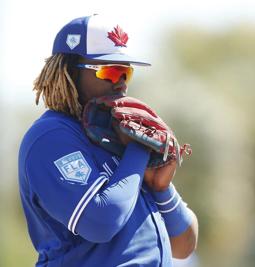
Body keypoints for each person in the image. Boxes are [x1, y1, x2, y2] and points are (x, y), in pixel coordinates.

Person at [18, 14, 198, 267]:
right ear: (68, 71)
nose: (122, 83)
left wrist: (161, 189)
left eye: (126, 72)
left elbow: (184, 246)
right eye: (111, 71)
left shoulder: (113, 136)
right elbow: (101, 222)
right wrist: (138, 147)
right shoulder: (51, 137)